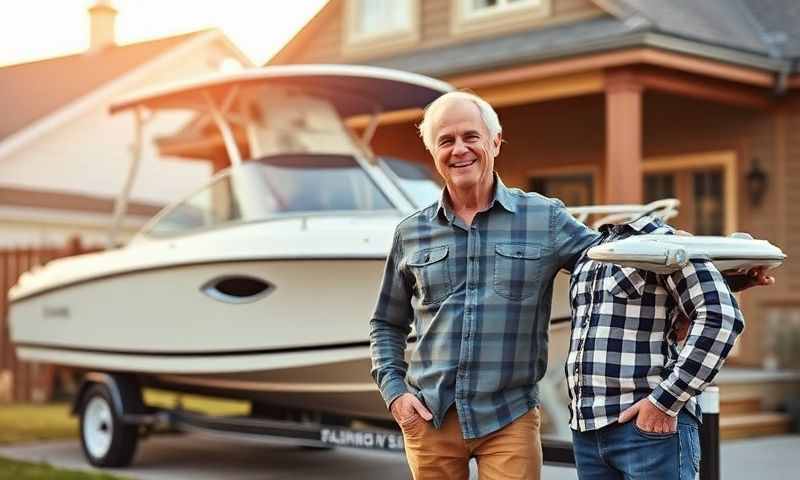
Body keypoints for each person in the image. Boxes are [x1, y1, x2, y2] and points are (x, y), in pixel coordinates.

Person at [368, 91, 600, 480]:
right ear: (433, 151)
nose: (459, 149)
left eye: (470, 137)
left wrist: (701, 280)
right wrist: (395, 395)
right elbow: (386, 323)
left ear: (495, 142)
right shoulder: (410, 233)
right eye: (446, 140)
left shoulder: (545, 218)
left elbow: (609, 264)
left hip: (509, 417)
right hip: (430, 417)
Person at [566, 215, 773, 480]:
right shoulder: (589, 253)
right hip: (587, 432)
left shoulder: (667, 244)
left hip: (649, 430)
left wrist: (665, 402)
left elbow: (721, 317)